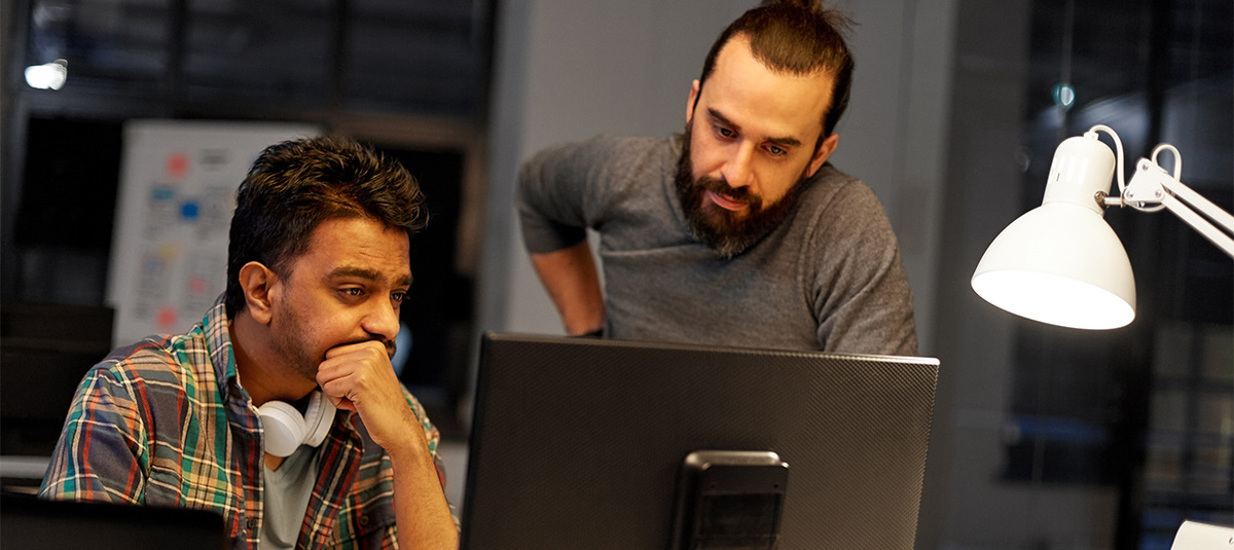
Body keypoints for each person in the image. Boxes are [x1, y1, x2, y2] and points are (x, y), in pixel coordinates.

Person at [40, 137, 459, 549]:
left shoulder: (392, 419)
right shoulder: (135, 394)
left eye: (397, 296)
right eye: (352, 290)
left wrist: (408, 447)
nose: (387, 324)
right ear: (261, 291)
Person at [517, 0, 917, 355]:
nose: (736, 173)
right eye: (724, 131)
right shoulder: (622, 174)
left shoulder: (843, 226)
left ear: (818, 155)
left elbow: (884, 422)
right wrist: (589, 341)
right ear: (693, 104)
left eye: (775, 149)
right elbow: (536, 192)